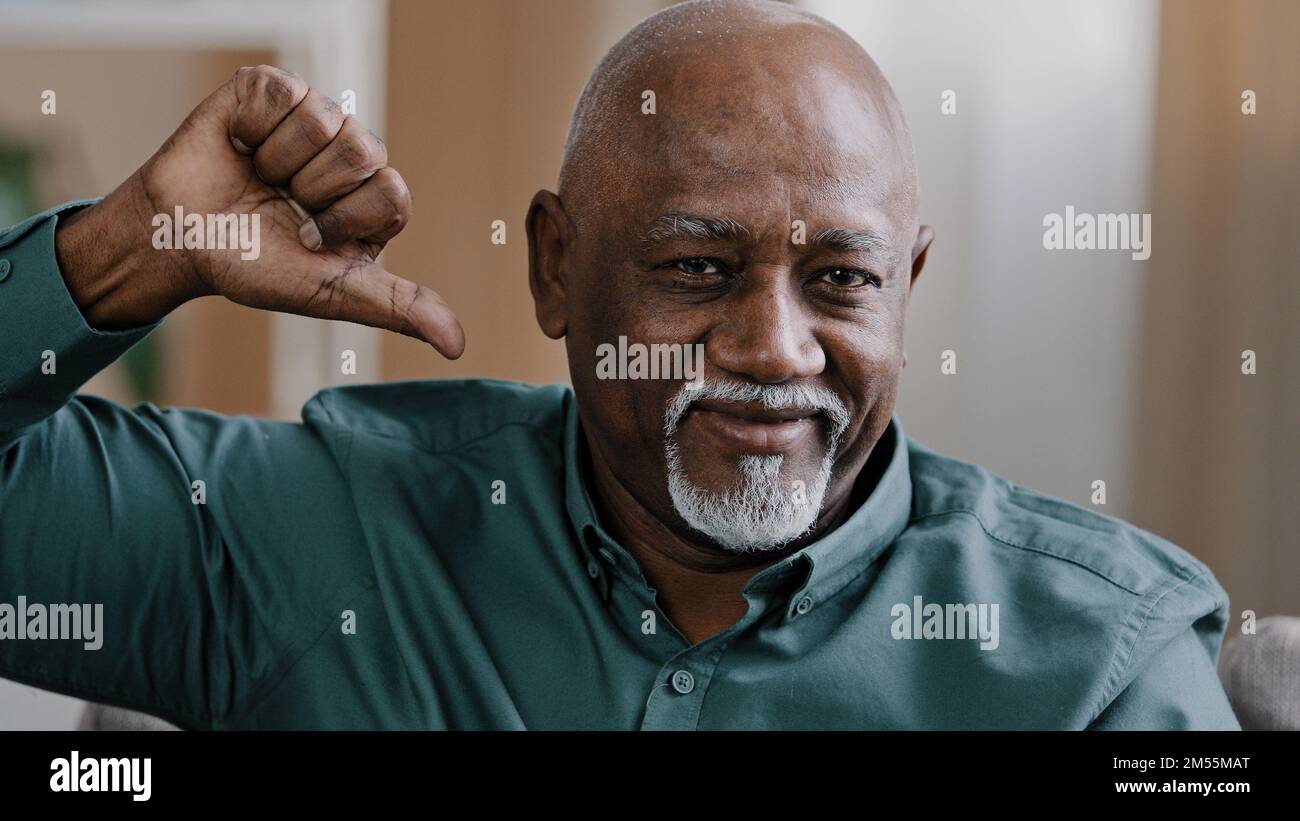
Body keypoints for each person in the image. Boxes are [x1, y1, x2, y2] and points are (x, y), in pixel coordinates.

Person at [0, 0, 1238, 729]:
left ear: (905, 289)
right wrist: (122, 254)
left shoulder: (1103, 663)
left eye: (840, 280)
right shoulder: (322, 534)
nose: (773, 349)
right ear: (555, 268)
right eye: (696, 269)